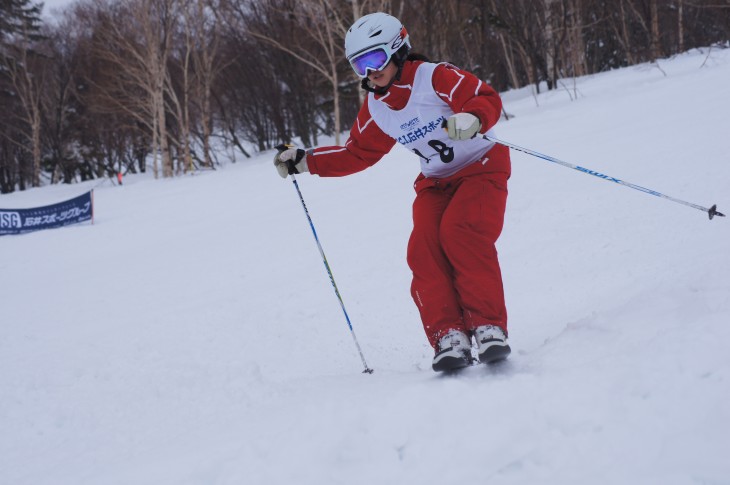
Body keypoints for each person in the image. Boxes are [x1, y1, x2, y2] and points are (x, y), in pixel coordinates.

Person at [274, 12, 512, 372]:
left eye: (375, 59)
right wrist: (306, 161)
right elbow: (356, 152)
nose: (370, 72)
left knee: (460, 232)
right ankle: (449, 336)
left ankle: (488, 327)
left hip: (481, 167)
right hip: (436, 182)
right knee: (423, 250)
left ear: (398, 49)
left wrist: (474, 117)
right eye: (359, 65)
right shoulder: (377, 107)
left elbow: (482, 95)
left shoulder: (434, 77)